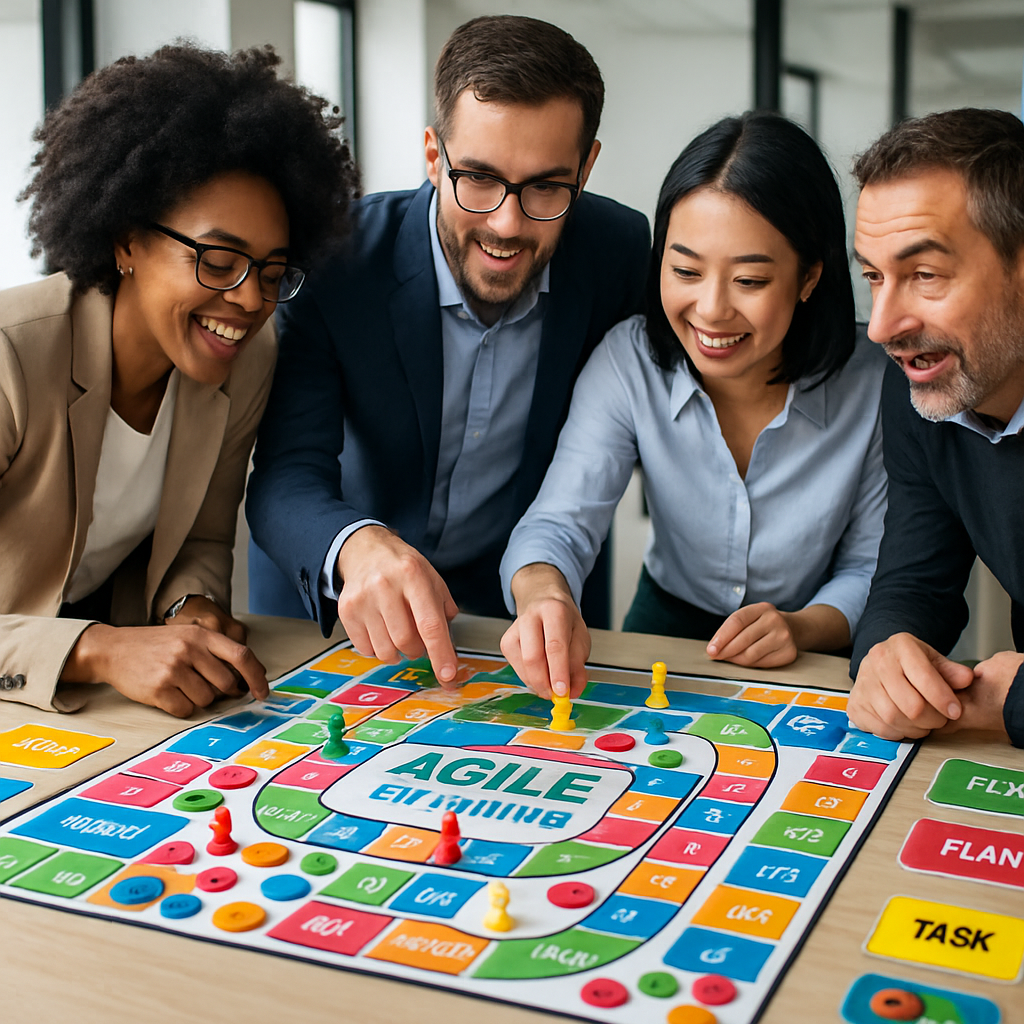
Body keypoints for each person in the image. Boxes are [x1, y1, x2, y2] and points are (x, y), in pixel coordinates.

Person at [245, 15, 650, 686]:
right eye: (479, 179)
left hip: (520, 612)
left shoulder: (618, 254)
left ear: (588, 167)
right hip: (342, 607)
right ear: (433, 156)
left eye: (547, 186)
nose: (507, 224)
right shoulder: (335, 258)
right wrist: (358, 547)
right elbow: (286, 475)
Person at [0, 44, 358, 717]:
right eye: (219, 260)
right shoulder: (10, 360)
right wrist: (99, 649)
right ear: (126, 241)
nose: (251, 302)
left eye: (273, 273)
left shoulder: (243, 360)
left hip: (106, 712)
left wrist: (190, 606)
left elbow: (199, 540)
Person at [499, 112, 889, 698]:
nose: (710, 310)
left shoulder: (877, 384)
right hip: (667, 625)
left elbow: (871, 569)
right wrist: (544, 594)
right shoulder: (629, 361)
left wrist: (802, 627)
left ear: (809, 276)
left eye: (750, 281)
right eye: (684, 269)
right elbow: (561, 519)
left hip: (819, 641)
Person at [848, 109, 1024, 748]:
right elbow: (915, 578)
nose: (882, 325)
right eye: (873, 276)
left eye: (924, 275)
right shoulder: (923, 384)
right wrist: (885, 653)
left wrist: (1013, 703)